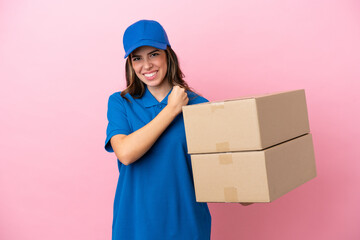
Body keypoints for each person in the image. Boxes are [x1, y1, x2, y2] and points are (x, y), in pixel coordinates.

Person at [104, 19, 212, 240]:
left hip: (186, 225)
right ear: (130, 64)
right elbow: (125, 153)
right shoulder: (121, 103)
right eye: (137, 58)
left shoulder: (199, 106)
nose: (147, 65)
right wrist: (172, 110)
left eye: (154, 54)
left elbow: (217, 167)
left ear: (167, 55)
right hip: (134, 225)